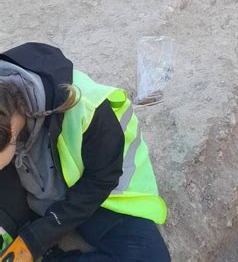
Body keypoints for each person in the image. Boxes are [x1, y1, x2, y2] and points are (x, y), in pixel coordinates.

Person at [0, 43, 171, 261]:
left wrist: (34, 240)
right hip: (30, 190)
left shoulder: (86, 108)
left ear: (12, 135)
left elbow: (101, 180)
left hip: (94, 196)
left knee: (149, 258)